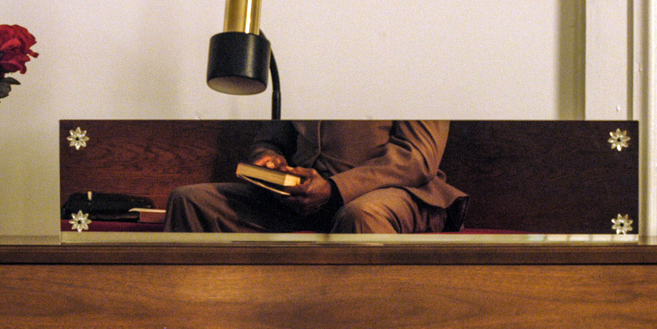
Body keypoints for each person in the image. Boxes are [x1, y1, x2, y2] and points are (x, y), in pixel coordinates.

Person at [163, 120, 468, 233]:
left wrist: (335, 189)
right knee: (191, 201)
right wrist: (269, 160)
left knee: (360, 216)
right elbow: (271, 140)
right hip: (302, 197)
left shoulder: (414, 60)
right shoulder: (308, 61)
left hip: (397, 192)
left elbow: (417, 158)